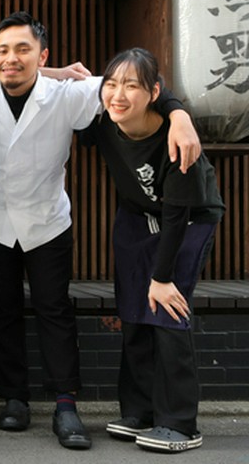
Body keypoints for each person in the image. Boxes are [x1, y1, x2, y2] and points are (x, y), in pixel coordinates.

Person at [0, 11, 201, 450]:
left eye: (23, 50)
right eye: (2, 51)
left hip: (47, 223)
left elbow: (133, 83)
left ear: (42, 55)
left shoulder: (68, 95)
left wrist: (178, 114)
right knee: (1, 310)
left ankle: (66, 405)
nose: (12, 59)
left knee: (54, 311)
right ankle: (14, 399)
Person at [79, 48, 224, 454]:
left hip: (189, 218)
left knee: (167, 310)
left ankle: (179, 423)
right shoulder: (106, 122)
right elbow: (61, 89)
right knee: (132, 311)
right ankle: (139, 411)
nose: (118, 95)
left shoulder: (179, 142)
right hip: (136, 214)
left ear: (154, 93)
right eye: (111, 84)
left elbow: (177, 217)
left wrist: (162, 279)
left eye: (131, 86)